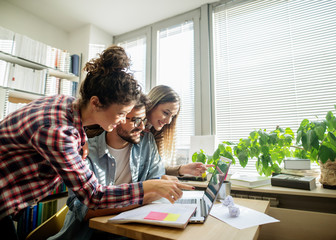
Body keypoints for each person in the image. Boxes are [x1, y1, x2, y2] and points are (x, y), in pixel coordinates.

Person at [0, 45, 191, 239]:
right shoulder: (58, 132)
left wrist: (80, 141)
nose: (121, 120)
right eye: (121, 113)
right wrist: (148, 187)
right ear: (95, 103)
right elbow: (93, 196)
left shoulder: (67, 106)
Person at [49, 93, 171, 240]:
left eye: (143, 119)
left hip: (129, 232)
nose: (142, 127)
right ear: (118, 117)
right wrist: (146, 194)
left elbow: (158, 185)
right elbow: (84, 210)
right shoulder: (85, 152)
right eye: (136, 120)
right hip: (89, 235)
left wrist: (155, 190)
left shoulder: (147, 142)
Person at [146, 85, 213, 177]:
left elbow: (157, 168)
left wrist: (183, 169)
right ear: (151, 104)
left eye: (172, 116)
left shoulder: (156, 132)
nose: (169, 121)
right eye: (166, 113)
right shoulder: (129, 129)